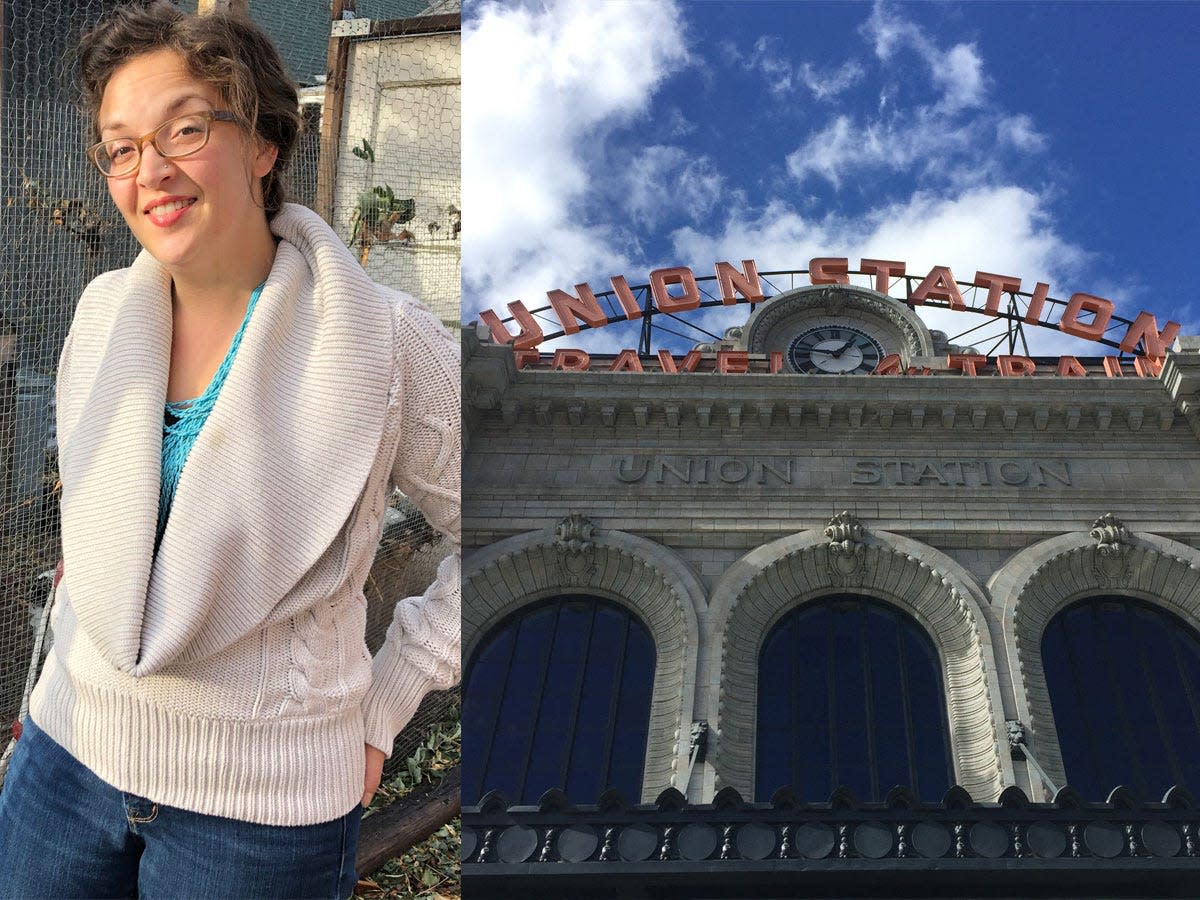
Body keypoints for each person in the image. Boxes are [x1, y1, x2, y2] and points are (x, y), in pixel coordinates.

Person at [0, 3, 459, 898]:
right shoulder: (98, 318)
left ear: (264, 143)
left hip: (260, 808)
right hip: (65, 759)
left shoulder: (382, 342)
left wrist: (387, 703)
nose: (150, 172)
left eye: (186, 128)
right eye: (120, 148)